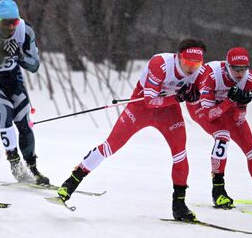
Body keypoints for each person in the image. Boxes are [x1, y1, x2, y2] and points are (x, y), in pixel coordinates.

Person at [57, 39, 206, 221]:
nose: (192, 68)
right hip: (141, 107)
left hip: (169, 112)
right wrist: (179, 97)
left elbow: (196, 100)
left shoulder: (200, 72)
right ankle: (70, 183)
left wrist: (195, 97)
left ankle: (179, 206)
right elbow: (151, 102)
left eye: (196, 64)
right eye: (188, 63)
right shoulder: (161, 64)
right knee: (111, 146)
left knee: (180, 153)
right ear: (179, 57)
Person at [186, 47, 252, 208]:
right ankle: (218, 190)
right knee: (222, 136)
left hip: (226, 107)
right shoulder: (211, 75)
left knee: (250, 147)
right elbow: (210, 115)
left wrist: (242, 105)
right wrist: (230, 102)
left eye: (244, 69)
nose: (240, 73)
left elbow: (239, 117)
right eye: (236, 69)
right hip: (201, 107)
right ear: (227, 65)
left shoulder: (250, 79)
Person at [0, 0, 49, 185]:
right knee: (6, 110)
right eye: (7, 22)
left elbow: (34, 65)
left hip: (12, 78)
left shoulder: (25, 29)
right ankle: (15, 164)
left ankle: (33, 168)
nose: (12, 26)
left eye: (15, 21)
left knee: (23, 119)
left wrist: (19, 56)